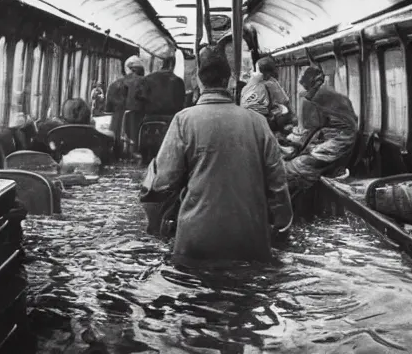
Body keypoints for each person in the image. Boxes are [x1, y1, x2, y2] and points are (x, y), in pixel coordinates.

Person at [140, 45, 293, 267]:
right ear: (230, 81)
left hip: (197, 241)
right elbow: (278, 184)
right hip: (251, 240)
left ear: (198, 81)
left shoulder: (183, 120)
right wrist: (281, 227)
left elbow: (162, 182)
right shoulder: (258, 123)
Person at [284, 66, 358, 198]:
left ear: (313, 82)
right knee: (297, 160)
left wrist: (296, 146)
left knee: (294, 168)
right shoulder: (331, 93)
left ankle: (292, 204)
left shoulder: (319, 95)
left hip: (338, 142)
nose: (305, 90)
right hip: (339, 140)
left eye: (306, 86)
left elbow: (310, 128)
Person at [104, 55, 146, 156]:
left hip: (117, 134)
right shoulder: (147, 83)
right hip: (139, 135)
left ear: (126, 69)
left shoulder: (115, 84)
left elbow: (108, 109)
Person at [241, 57, 296, 132]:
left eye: (256, 70)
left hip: (246, 120)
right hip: (263, 121)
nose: (254, 72)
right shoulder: (271, 83)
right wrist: (293, 117)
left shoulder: (251, 83)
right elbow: (284, 101)